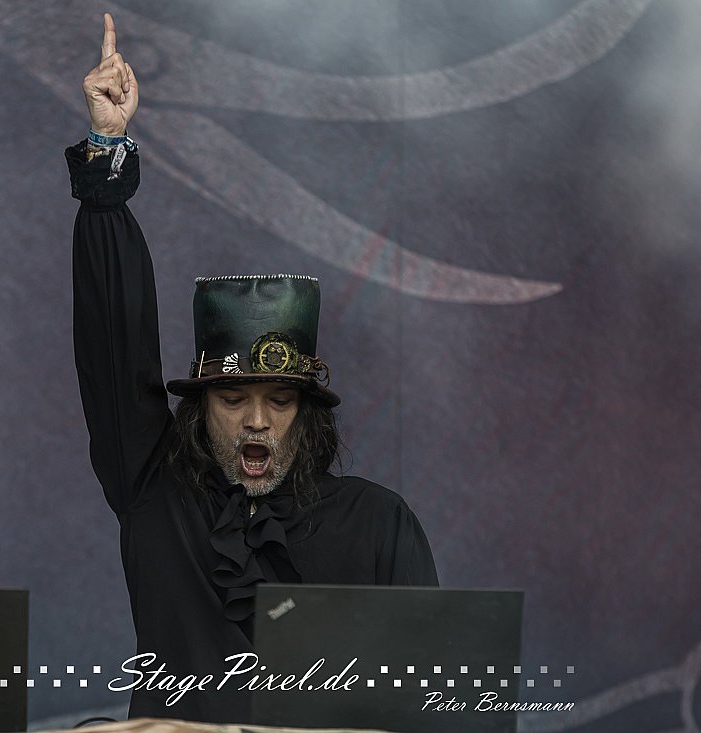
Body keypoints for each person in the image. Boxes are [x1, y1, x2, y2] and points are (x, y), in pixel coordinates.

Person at [67, 13, 437, 723]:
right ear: (200, 407)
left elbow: (435, 699)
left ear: (309, 412)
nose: (257, 420)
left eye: (280, 400)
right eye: (233, 398)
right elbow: (113, 346)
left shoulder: (377, 523)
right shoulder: (156, 496)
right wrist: (107, 154)